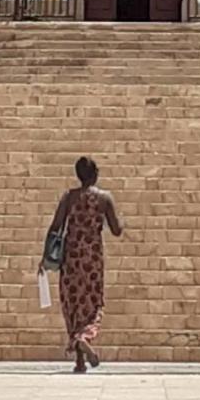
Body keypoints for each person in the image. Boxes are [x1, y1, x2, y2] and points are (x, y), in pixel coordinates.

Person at [41, 156, 123, 373]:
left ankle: (79, 359)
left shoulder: (69, 198)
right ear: (95, 173)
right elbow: (116, 230)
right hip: (92, 258)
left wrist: (46, 256)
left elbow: (55, 226)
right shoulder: (105, 199)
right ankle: (84, 337)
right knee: (93, 304)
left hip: (72, 257)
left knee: (73, 303)